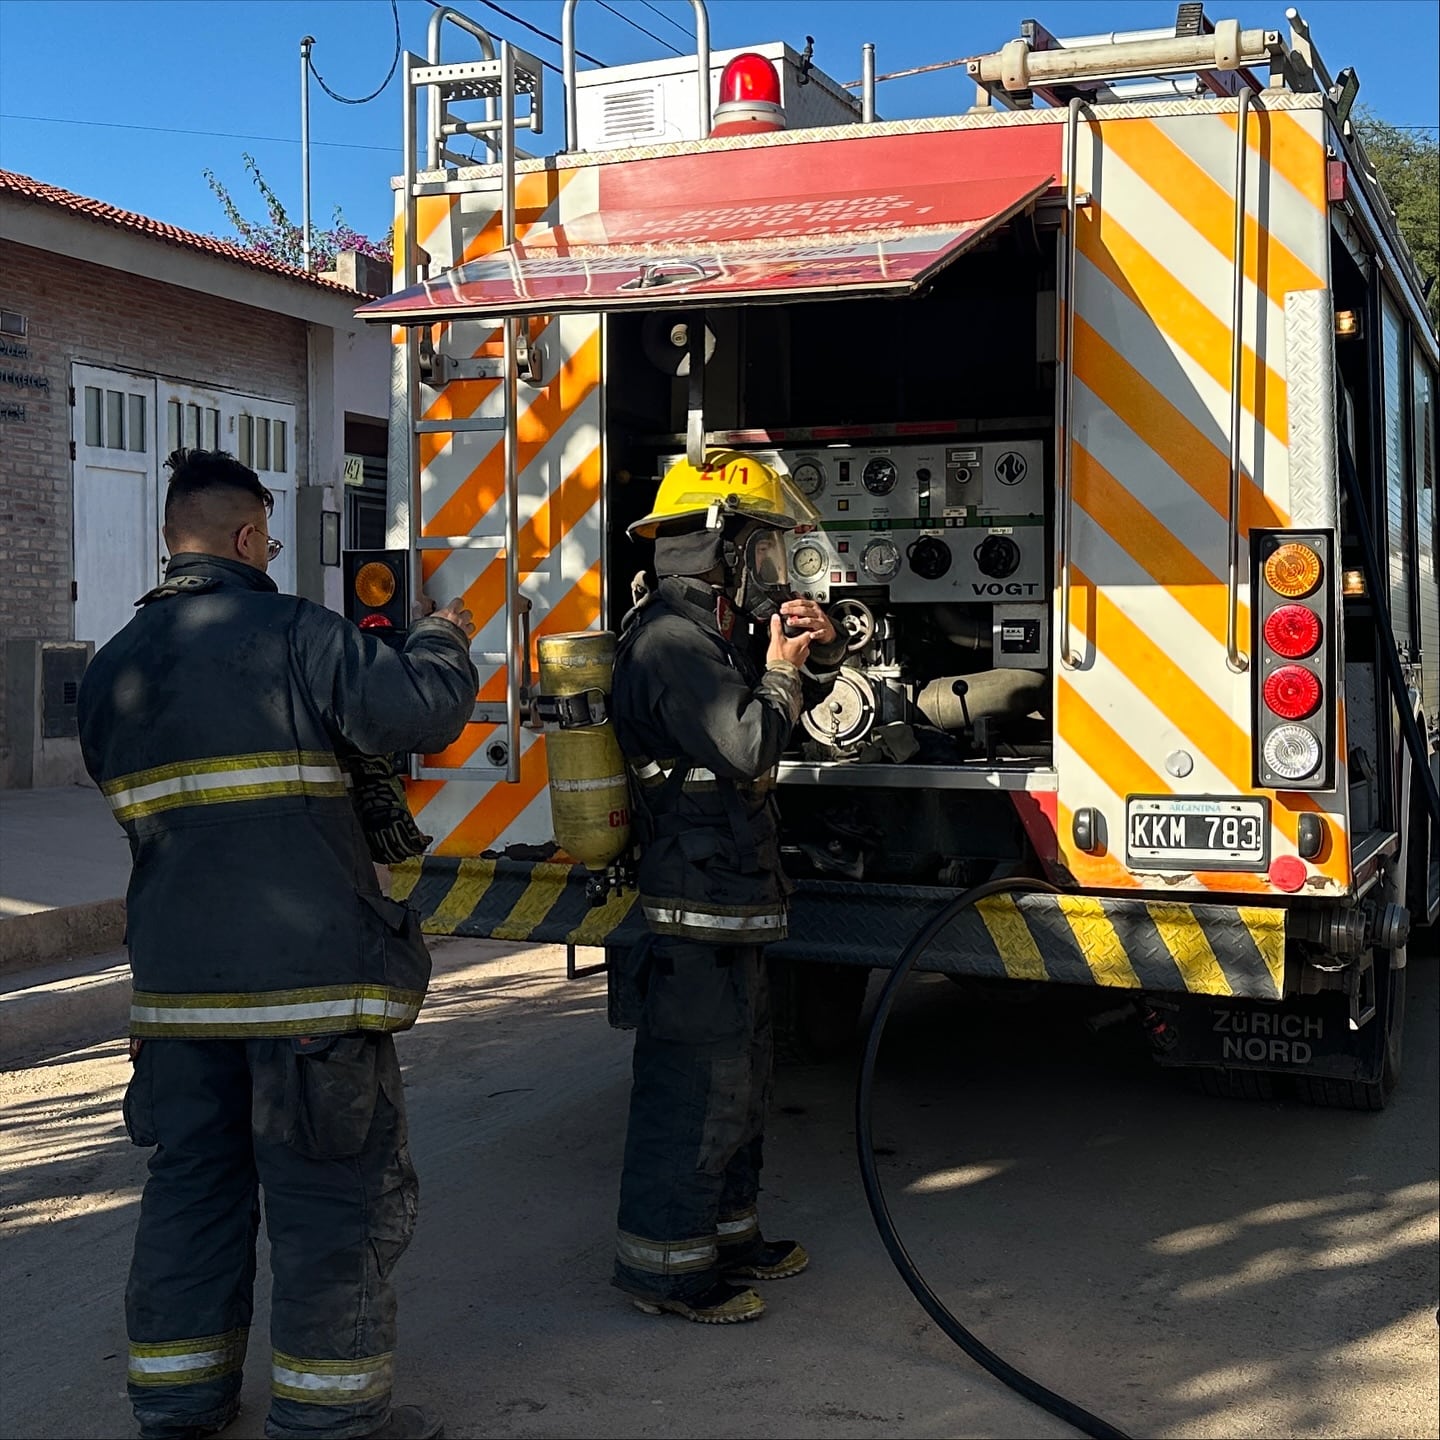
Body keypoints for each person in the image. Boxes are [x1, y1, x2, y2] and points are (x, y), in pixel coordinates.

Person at [77, 450, 478, 1440]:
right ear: (250, 539)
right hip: (309, 993)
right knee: (329, 1203)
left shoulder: (109, 668)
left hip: (176, 1000)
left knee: (192, 1197)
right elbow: (420, 709)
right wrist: (443, 640)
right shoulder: (297, 631)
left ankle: (178, 1403)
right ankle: (329, 1418)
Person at [608, 454, 846, 1325]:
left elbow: (781, 693)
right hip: (694, 902)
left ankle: (730, 1238)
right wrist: (780, 672)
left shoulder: (710, 634)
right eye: (766, 550)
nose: (776, 570)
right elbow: (747, 746)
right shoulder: (672, 645)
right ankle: (665, 1271)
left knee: (741, 1080)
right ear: (725, 549)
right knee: (695, 1090)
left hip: (733, 894)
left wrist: (814, 644)